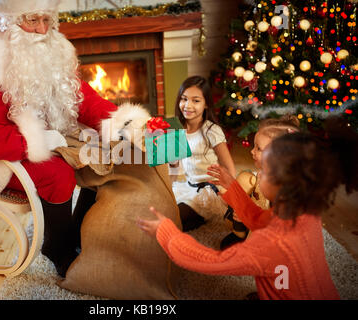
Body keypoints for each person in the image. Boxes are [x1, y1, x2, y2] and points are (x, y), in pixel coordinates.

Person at [0, 0, 141, 277]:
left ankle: (79, 232)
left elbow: (84, 99)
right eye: (32, 20)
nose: (42, 30)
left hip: (56, 138)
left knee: (104, 152)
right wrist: (35, 141)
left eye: (48, 20)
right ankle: (58, 247)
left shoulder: (50, 50)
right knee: (57, 174)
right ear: (7, 18)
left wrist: (127, 124)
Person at [138, 117, 357, 299]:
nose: (258, 174)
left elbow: (212, 262)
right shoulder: (304, 210)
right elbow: (259, 219)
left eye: (264, 173)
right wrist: (232, 187)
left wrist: (168, 233)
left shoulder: (270, 244)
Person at [220, 115, 300, 249]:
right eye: (254, 146)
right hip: (255, 220)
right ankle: (239, 234)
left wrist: (250, 217)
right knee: (244, 179)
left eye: (258, 148)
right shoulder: (260, 176)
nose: (251, 151)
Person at [170, 76, 235, 231]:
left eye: (196, 100)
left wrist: (233, 199)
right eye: (184, 99)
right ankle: (193, 217)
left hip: (209, 191)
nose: (187, 105)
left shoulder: (211, 131)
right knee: (162, 209)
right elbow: (173, 171)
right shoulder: (177, 129)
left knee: (174, 221)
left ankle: (200, 217)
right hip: (187, 186)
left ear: (206, 104)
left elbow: (229, 168)